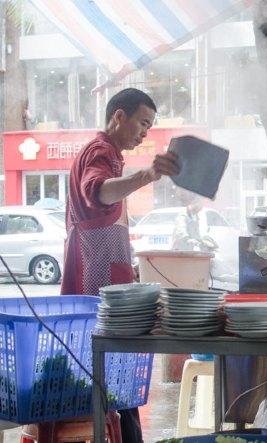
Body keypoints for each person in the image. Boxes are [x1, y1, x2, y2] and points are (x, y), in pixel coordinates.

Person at [60, 88, 179, 442]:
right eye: (142, 122)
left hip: (105, 267)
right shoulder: (100, 151)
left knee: (113, 372)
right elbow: (98, 192)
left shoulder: (111, 153)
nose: (145, 132)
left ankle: (124, 431)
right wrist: (148, 175)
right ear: (118, 117)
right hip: (93, 272)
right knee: (105, 366)